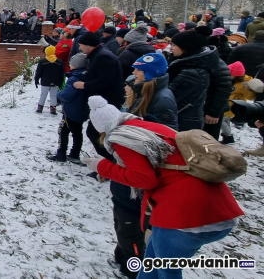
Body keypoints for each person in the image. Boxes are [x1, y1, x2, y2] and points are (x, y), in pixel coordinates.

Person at [84, 96, 244, 279]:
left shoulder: (123, 138)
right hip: (214, 205)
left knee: (168, 270)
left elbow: (144, 179)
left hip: (186, 216)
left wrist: (101, 166)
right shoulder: (148, 128)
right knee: (151, 261)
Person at [72, 31, 125, 162]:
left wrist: (84, 85)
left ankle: (110, 162)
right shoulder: (99, 54)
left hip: (108, 102)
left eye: (81, 45)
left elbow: (106, 80)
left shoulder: (103, 57)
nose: (80, 48)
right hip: (104, 101)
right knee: (96, 133)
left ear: (88, 45)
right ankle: (107, 163)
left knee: (95, 133)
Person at [167, 30, 213, 131]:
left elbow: (169, 98)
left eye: (174, 45)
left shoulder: (191, 72)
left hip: (183, 121)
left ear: (186, 47)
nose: (171, 48)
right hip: (184, 118)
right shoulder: (185, 64)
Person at [48, 53, 89, 163]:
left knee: (63, 131)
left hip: (71, 111)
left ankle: (61, 154)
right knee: (77, 132)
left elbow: (67, 96)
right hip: (82, 110)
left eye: (70, 63)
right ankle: (75, 154)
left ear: (75, 65)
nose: (69, 65)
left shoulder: (73, 79)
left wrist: (59, 93)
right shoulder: (88, 76)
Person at [125, 53, 178, 129]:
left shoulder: (162, 99)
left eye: (139, 69)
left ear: (150, 73)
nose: (134, 72)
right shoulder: (139, 89)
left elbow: (166, 132)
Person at [219, 61, 262, 144]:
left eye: (230, 73)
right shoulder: (231, 80)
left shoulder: (243, 84)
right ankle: (228, 136)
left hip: (232, 106)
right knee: (225, 121)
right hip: (225, 104)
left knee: (222, 121)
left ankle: (228, 136)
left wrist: (249, 90)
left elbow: (251, 97)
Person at [34, 46, 65, 114]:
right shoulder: (59, 62)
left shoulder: (42, 62)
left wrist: (36, 79)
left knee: (43, 95)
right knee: (53, 95)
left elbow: (39, 72)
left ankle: (40, 108)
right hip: (55, 82)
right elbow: (61, 73)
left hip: (45, 82)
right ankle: (53, 109)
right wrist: (60, 82)